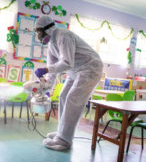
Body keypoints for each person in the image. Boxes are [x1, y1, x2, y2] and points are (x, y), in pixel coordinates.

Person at [34, 15, 103, 151]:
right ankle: (62, 132)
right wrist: (47, 86)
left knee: (73, 99)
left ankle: (64, 140)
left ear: (47, 29)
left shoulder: (63, 35)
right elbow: (52, 70)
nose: (39, 36)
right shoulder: (51, 45)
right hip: (75, 71)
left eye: (39, 32)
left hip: (90, 67)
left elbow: (66, 62)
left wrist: (46, 69)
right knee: (63, 96)